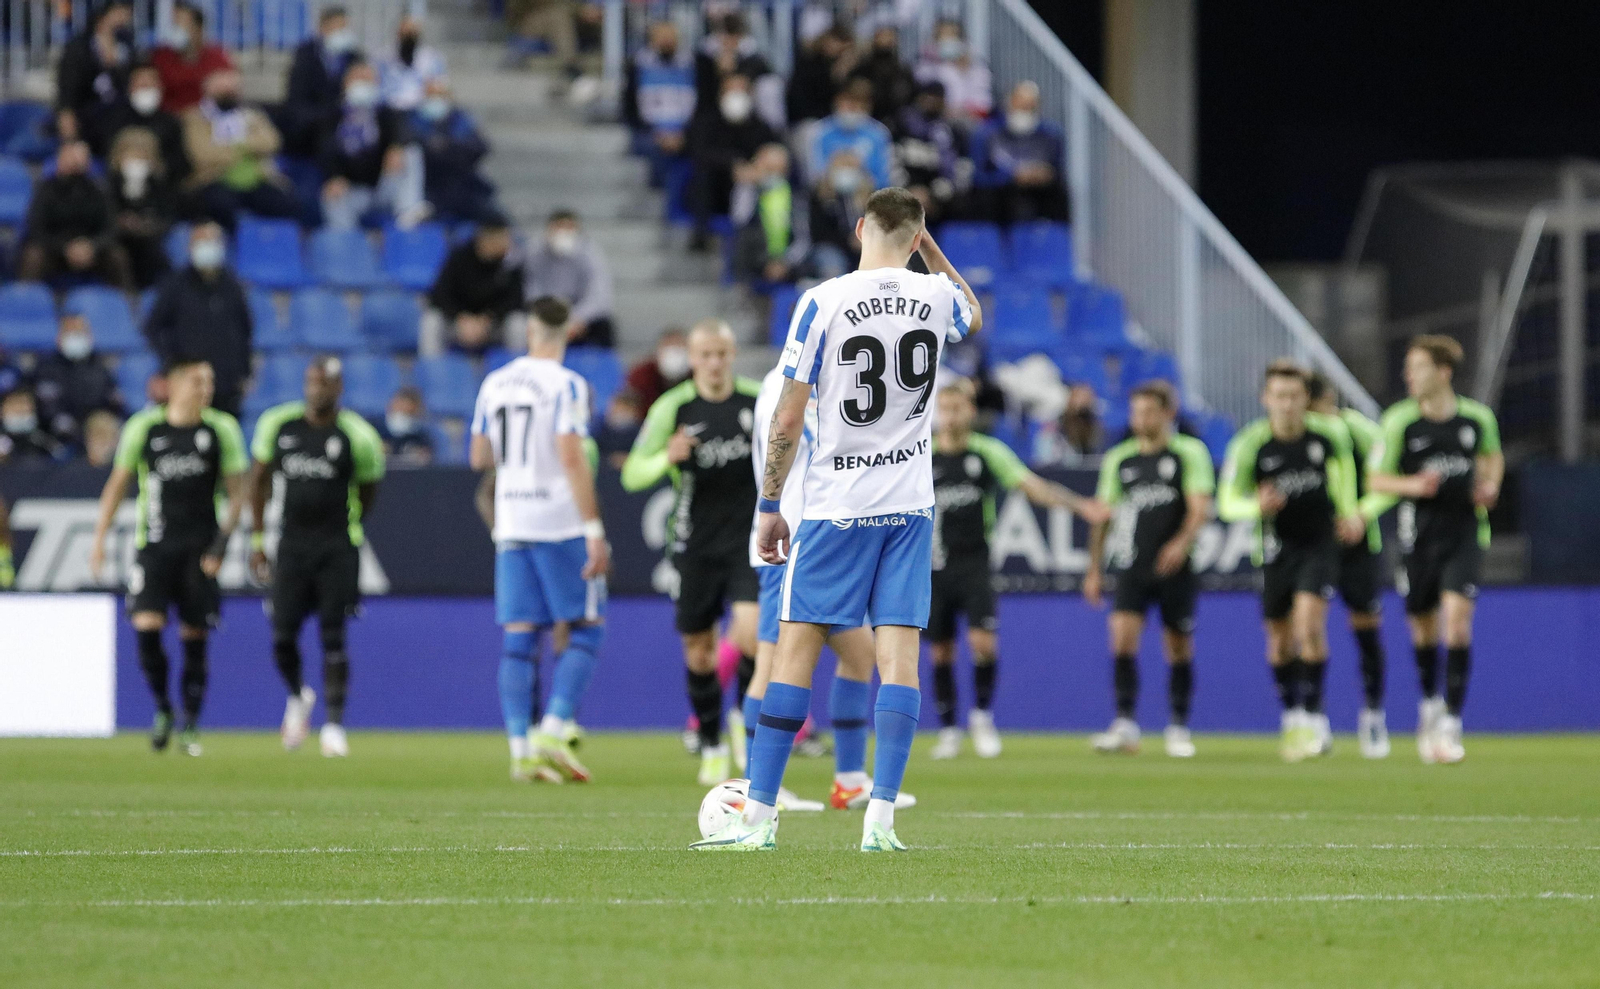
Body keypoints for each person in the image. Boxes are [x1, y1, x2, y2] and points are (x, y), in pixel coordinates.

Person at [693, 187, 983, 852]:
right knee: (897, 656)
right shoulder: (935, 297)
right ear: (915, 239)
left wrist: (769, 506)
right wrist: (929, 249)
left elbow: (789, 416)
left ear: (859, 228)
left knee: (794, 652)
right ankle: (880, 820)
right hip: (910, 506)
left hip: (836, 507)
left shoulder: (823, 301)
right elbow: (973, 310)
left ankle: (759, 819)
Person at [737, 361, 915, 813]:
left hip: (808, 538)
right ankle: (760, 786)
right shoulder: (796, 385)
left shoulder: (774, 382)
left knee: (859, 656)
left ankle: (850, 779)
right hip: (795, 541)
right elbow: (819, 444)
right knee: (773, 661)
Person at [926, 379, 1108, 761]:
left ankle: (981, 717)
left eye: (959, 408)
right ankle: (947, 730)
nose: (951, 416)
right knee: (940, 651)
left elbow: (1033, 487)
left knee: (983, 644)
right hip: (930, 567)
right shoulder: (921, 455)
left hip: (975, 563)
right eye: (945, 408)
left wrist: (1080, 506)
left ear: (971, 412)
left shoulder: (988, 452)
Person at [470, 296, 609, 783]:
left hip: (512, 521)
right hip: (558, 521)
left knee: (518, 640)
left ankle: (520, 751)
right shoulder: (566, 384)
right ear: (567, 332)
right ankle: (553, 725)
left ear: (529, 331)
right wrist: (594, 529)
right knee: (587, 626)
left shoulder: (495, 381)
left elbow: (478, 454)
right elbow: (571, 456)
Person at [622, 320, 761, 786]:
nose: (715, 362)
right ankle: (711, 742)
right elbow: (633, 474)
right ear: (693, 359)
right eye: (706, 355)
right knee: (699, 652)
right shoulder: (673, 408)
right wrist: (668, 456)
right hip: (694, 544)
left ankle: (743, 720)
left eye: (723, 353)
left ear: (733, 354)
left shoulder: (758, 399)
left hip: (748, 540)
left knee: (752, 633)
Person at [88, 359, 247, 756]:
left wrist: (221, 545)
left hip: (200, 552)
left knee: (195, 634)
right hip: (155, 546)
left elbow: (238, 492)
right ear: (173, 386)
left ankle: (191, 722)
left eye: (210, 380)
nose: (205, 388)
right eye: (197, 380)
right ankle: (162, 708)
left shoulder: (221, 429)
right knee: (146, 625)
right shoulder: (145, 428)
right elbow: (117, 484)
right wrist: (99, 538)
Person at [1218, 360, 1364, 763]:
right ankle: (1292, 714)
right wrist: (1255, 506)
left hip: (1318, 545)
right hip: (1274, 549)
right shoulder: (1250, 444)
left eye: (1294, 396)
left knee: (1309, 625)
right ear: (1266, 399)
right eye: (1279, 396)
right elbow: (1227, 502)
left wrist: (1349, 511)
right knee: (1280, 643)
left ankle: (1315, 718)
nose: (1286, 404)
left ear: (1306, 400)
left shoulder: (1328, 435)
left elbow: (1344, 475)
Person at [1366, 335, 1503, 765]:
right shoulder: (1398, 422)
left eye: (1417, 366)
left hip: (1463, 534)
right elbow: (1374, 480)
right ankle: (1429, 704)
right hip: (1416, 538)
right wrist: (1411, 485)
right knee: (1423, 630)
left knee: (1458, 626)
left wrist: (1490, 486)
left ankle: (1452, 723)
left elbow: (1491, 458)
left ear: (1443, 372)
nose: (1409, 375)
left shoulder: (1476, 418)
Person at [249, 356, 386, 759]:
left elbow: (368, 491)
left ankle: (334, 726)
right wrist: (258, 540)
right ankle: (297, 696)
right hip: (290, 546)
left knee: (333, 638)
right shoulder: (279, 425)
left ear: (339, 387)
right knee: (281, 636)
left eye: (324, 383)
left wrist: (348, 528)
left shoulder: (357, 435)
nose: (316, 389)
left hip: (337, 547)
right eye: (311, 381)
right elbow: (258, 482)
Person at [1083, 381, 1215, 758]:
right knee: (1122, 638)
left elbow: (1199, 506)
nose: (1141, 419)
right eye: (1136, 411)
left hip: (1176, 565)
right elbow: (1103, 518)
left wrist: (1180, 543)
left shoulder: (1189, 453)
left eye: (1149, 411)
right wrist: (1094, 569)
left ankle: (1178, 726)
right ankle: (1125, 724)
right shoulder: (1119, 459)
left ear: (1167, 413)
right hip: (1130, 563)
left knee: (1177, 644)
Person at [1308, 371, 1396, 758]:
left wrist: (1361, 515)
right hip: (1312, 547)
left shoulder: (1358, 429)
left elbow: (1386, 480)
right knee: (1307, 626)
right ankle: (1314, 721)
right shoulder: (1292, 435)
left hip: (1358, 544)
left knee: (1365, 627)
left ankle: (1373, 715)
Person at [144, 223, 252, 419]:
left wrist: (244, 372)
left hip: (226, 386)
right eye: (201, 242)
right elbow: (153, 327)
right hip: (187, 384)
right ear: (190, 247)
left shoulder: (232, 287)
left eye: (212, 242)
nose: (207, 247)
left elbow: (245, 330)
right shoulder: (174, 285)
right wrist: (171, 364)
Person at [183, 69, 302, 229]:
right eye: (222, 90)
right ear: (208, 90)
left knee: (288, 203)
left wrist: (236, 145)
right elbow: (201, 154)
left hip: (256, 180)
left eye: (232, 90)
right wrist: (242, 148)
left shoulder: (251, 114)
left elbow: (272, 142)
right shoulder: (195, 117)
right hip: (213, 179)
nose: (228, 93)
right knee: (220, 205)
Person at [318, 61, 426, 230]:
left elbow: (405, 133)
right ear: (345, 84)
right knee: (332, 198)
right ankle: (347, 247)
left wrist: (396, 147)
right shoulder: (332, 117)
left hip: (385, 189)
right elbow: (325, 149)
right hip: (352, 191)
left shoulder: (386, 113)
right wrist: (334, 176)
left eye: (367, 80)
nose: (363, 85)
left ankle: (408, 214)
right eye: (358, 79)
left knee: (411, 152)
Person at [18, 141, 133, 290]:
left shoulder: (99, 190)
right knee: (34, 256)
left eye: (79, 159)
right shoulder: (45, 191)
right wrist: (65, 248)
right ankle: (23, 302)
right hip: (55, 251)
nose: (75, 163)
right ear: (60, 160)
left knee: (117, 256)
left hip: (92, 251)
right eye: (70, 158)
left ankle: (127, 305)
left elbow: (110, 228)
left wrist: (92, 246)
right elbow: (36, 228)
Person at [685, 73, 778, 250]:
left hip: (749, 184)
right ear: (721, 93)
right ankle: (701, 234)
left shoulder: (759, 125)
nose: (736, 94)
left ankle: (761, 243)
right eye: (731, 89)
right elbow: (699, 152)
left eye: (741, 89)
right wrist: (733, 164)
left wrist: (756, 167)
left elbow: (773, 150)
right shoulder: (707, 120)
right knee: (702, 177)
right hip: (716, 188)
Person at [422, 215, 526, 357]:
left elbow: (515, 299)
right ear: (485, 238)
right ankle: (433, 372)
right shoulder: (459, 257)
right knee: (432, 321)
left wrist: (487, 319)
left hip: (493, 325)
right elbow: (440, 294)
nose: (507, 243)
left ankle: (517, 372)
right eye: (502, 238)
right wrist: (461, 317)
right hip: (458, 323)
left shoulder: (511, 261)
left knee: (517, 323)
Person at [971, 81, 1069, 226]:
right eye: (1021, 106)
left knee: (1060, 193)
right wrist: (1012, 176)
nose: (1025, 112)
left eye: (1030, 107)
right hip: (999, 194)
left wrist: (1044, 174)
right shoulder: (986, 134)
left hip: (1039, 194)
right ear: (1009, 103)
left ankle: (1051, 237)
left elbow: (1058, 171)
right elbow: (979, 176)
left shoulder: (1051, 135)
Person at [86, 62, 193, 187]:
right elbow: (101, 152)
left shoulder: (171, 123)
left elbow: (182, 164)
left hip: (160, 189)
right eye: (141, 85)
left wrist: (156, 166)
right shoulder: (113, 119)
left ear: (160, 87)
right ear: (130, 87)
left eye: (149, 85)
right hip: (116, 188)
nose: (145, 89)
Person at [33, 311, 125, 453]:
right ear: (59, 337)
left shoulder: (100, 368)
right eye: (70, 332)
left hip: (93, 432)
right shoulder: (45, 369)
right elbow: (43, 408)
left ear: (90, 337)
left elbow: (113, 403)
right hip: (55, 436)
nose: (75, 337)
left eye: (80, 333)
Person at [405, 79, 494, 223]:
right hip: (425, 188)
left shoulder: (461, 119)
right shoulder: (411, 120)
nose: (435, 100)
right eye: (431, 95)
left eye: (440, 95)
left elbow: (480, 147)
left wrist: (446, 148)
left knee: (493, 215)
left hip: (461, 186)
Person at [522, 210, 615, 348]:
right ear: (549, 230)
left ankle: (597, 365)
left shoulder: (591, 254)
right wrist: (553, 318)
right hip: (547, 313)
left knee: (603, 325)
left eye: (569, 228)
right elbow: (531, 292)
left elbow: (599, 297)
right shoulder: (534, 252)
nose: (564, 232)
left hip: (579, 314)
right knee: (524, 325)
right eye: (559, 227)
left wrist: (576, 319)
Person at [107, 126, 180, 288]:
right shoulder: (110, 183)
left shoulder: (159, 185)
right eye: (131, 153)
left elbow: (167, 216)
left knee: (153, 251)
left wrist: (147, 224)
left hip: (150, 241)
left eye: (142, 155)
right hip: (119, 239)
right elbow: (105, 214)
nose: (136, 159)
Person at [284, 6, 362, 155]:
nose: (342, 32)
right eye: (337, 27)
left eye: (344, 27)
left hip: (343, 125)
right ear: (323, 28)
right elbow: (297, 101)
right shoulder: (305, 55)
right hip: (312, 129)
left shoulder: (353, 57)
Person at [54, 1, 134, 146]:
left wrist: (114, 66)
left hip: (121, 118)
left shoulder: (127, 46)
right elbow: (67, 94)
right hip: (87, 121)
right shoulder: (79, 48)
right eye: (119, 11)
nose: (124, 17)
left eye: (127, 11)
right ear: (102, 16)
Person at [731, 142, 812, 286]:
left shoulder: (796, 196)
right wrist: (749, 186)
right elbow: (739, 219)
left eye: (779, 170)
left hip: (788, 261)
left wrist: (785, 263)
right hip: (756, 258)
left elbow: (802, 238)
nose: (774, 174)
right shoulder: (748, 191)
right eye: (769, 169)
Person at [893, 81, 963, 227]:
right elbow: (890, 160)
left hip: (937, 198)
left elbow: (953, 169)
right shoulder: (900, 122)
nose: (931, 101)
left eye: (936, 98)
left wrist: (932, 194)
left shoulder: (950, 129)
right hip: (903, 190)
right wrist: (908, 190)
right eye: (928, 96)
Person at [624, 21, 696, 159]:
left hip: (685, 133)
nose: (666, 41)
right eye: (662, 37)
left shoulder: (692, 64)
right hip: (648, 132)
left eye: (670, 37)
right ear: (652, 40)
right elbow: (630, 107)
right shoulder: (638, 65)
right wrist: (657, 135)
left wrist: (683, 134)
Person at [808, 79, 893, 192]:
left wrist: (861, 168)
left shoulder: (879, 133)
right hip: (830, 186)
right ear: (837, 102)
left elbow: (884, 176)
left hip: (866, 189)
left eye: (857, 106)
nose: (851, 110)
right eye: (848, 104)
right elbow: (813, 174)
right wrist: (834, 166)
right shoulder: (820, 131)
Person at [152, 2, 234, 114]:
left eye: (182, 24)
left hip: (206, 121)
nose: (176, 29)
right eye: (174, 24)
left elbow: (229, 90)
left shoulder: (217, 57)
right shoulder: (161, 57)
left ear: (198, 28)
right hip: (170, 121)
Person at [915, 20, 992, 126]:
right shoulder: (925, 63)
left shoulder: (975, 65)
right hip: (936, 118)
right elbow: (922, 88)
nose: (948, 39)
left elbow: (984, 100)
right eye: (943, 34)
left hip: (970, 118)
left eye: (952, 34)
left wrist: (965, 70)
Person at [787, 24, 855, 125]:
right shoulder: (807, 64)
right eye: (834, 41)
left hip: (841, 120)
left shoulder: (849, 69)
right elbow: (798, 101)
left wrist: (840, 77)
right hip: (809, 120)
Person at [849, 25, 916, 123]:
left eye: (889, 36)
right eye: (882, 36)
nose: (885, 40)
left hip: (896, 120)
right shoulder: (863, 67)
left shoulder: (902, 70)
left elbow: (909, 96)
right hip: (866, 119)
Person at [379, 16, 446, 112]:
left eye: (412, 33)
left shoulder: (433, 59)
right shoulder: (382, 58)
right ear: (398, 33)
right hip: (389, 110)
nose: (408, 36)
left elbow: (439, 88)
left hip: (420, 111)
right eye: (404, 33)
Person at [1032, 384, 1103, 466]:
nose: (1081, 408)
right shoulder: (1053, 429)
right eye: (1077, 401)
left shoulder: (1093, 428)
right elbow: (1045, 462)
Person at [624, 328, 689, 407]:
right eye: (669, 348)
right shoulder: (641, 376)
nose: (674, 354)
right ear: (658, 351)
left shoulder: (699, 375)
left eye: (679, 348)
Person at [0, 389, 69, 463]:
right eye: (16, 405)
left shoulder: (47, 437)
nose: (21, 410)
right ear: (2, 410)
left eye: (26, 404)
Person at [373, 386, 433, 466]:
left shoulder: (420, 434)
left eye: (407, 410)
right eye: (399, 405)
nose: (401, 410)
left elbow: (426, 457)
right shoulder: (376, 427)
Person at [593, 390, 641, 468]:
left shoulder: (640, 433)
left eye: (624, 409)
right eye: (616, 407)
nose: (618, 411)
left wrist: (629, 459)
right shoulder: (600, 431)